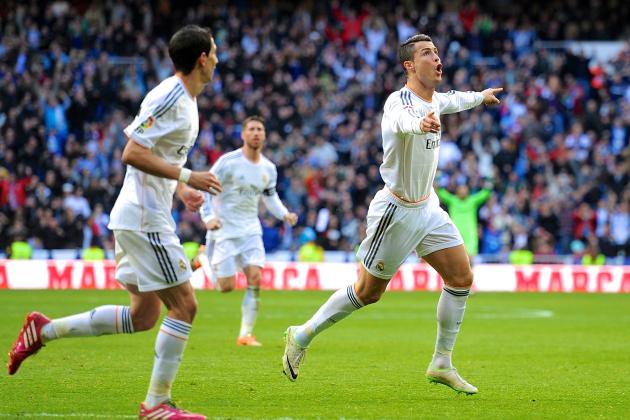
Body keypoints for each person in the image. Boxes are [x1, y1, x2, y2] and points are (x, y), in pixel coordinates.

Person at [7, 25, 222, 420]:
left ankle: (44, 329)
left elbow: (157, 158)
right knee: (185, 306)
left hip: (141, 214)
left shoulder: (187, 100)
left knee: (143, 316)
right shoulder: (171, 95)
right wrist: (190, 177)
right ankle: (157, 405)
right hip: (144, 219)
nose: (218, 58)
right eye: (214, 52)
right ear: (202, 59)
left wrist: (180, 189)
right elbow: (131, 153)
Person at [282, 34, 502, 395]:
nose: (436, 57)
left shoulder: (436, 100)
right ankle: (302, 334)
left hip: (428, 208)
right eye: (427, 53)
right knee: (368, 293)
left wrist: (481, 97)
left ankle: (442, 362)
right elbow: (403, 120)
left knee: (461, 277)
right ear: (410, 66)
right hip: (396, 211)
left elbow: (455, 100)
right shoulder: (398, 102)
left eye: (436, 52)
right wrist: (421, 125)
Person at [199, 116, 298, 346]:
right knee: (226, 287)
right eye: (251, 129)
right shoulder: (227, 162)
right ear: (243, 134)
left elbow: (270, 197)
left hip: (251, 230)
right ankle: (204, 259)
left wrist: (284, 214)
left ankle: (245, 334)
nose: (256, 133)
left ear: (264, 135)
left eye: (260, 129)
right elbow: (205, 188)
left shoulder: (269, 168)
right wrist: (208, 217)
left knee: (255, 277)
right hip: (223, 230)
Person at [437, 183, 492, 256]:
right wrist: (439, 181)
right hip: (456, 232)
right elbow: (441, 193)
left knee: (470, 255)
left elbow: (485, 194)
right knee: (455, 256)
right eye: (460, 189)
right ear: (457, 191)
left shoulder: (472, 200)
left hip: (470, 233)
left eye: (464, 189)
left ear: (468, 191)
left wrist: (488, 184)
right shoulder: (453, 200)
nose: (462, 191)